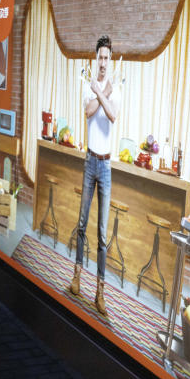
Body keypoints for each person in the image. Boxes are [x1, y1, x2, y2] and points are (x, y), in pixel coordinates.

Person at [70, 35, 121, 315]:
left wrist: (102, 92)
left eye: (106, 58)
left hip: (106, 166)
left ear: (110, 60)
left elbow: (112, 116)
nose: (103, 62)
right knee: (81, 223)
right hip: (90, 162)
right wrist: (102, 93)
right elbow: (89, 111)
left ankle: (99, 292)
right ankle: (76, 276)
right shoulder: (89, 88)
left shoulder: (113, 89)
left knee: (101, 233)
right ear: (95, 59)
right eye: (99, 57)